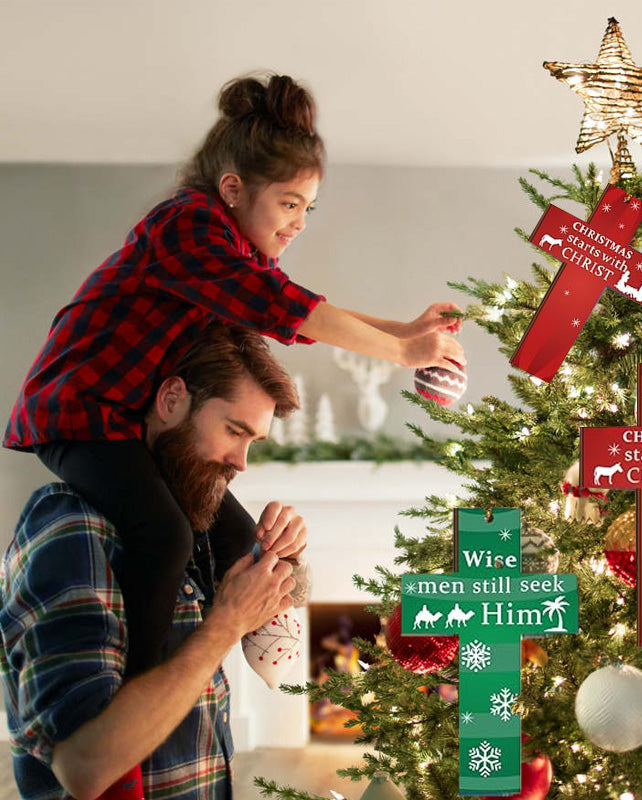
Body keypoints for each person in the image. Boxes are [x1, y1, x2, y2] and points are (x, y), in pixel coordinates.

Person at [3, 72, 465, 678]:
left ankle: (263, 641)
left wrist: (402, 332)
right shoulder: (186, 228)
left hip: (129, 422)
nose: (300, 222)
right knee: (165, 536)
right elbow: (286, 309)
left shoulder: (234, 254)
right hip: (77, 413)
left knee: (242, 540)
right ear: (232, 189)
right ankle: (138, 689)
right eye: (289, 203)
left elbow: (291, 304)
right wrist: (401, 353)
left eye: (308, 208)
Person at [0, 322, 307, 800]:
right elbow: (85, 769)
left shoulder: (196, 512)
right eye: (233, 430)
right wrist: (224, 625)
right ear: (171, 400)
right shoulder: (70, 527)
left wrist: (287, 556)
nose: (242, 462)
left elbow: (282, 605)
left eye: (253, 442)